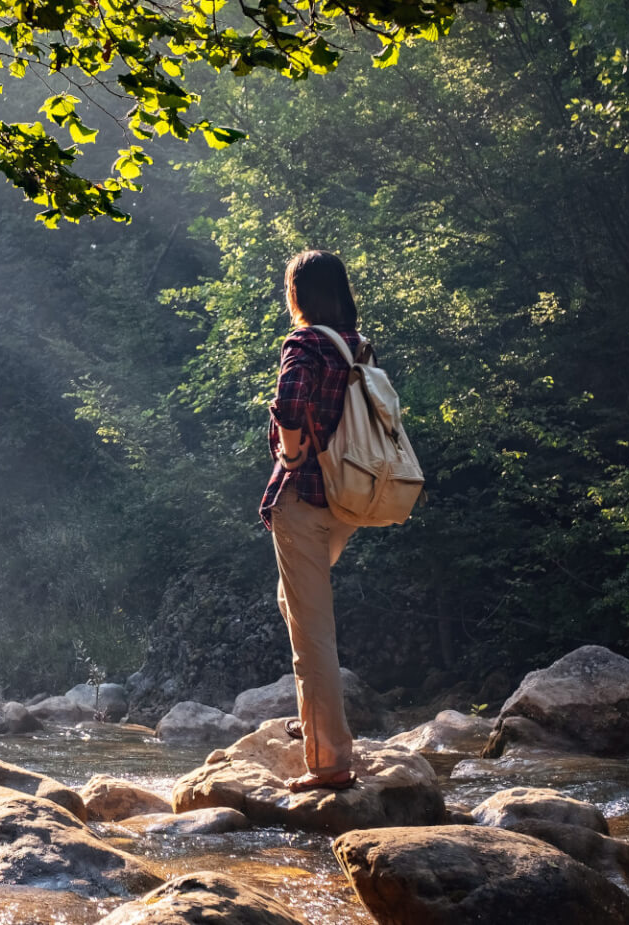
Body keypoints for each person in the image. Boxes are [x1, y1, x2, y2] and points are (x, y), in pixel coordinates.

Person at [260, 249, 365, 791]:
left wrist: (295, 454)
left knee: (311, 636)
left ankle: (328, 763)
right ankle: (317, 722)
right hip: (345, 499)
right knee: (293, 601)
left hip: (302, 497)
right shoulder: (356, 347)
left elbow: (289, 398)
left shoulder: (305, 343)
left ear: (297, 294)